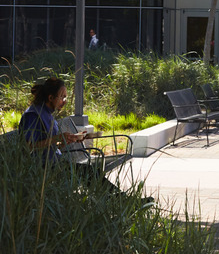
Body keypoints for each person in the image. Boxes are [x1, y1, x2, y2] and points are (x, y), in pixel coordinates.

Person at [19, 77, 149, 201]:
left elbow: (47, 145)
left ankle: (120, 200)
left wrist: (64, 142)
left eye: (65, 97)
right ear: (50, 97)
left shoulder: (47, 113)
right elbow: (28, 147)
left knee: (91, 171)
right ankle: (121, 201)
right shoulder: (33, 115)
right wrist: (57, 139)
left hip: (55, 163)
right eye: (62, 97)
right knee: (89, 172)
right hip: (42, 168)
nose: (64, 101)